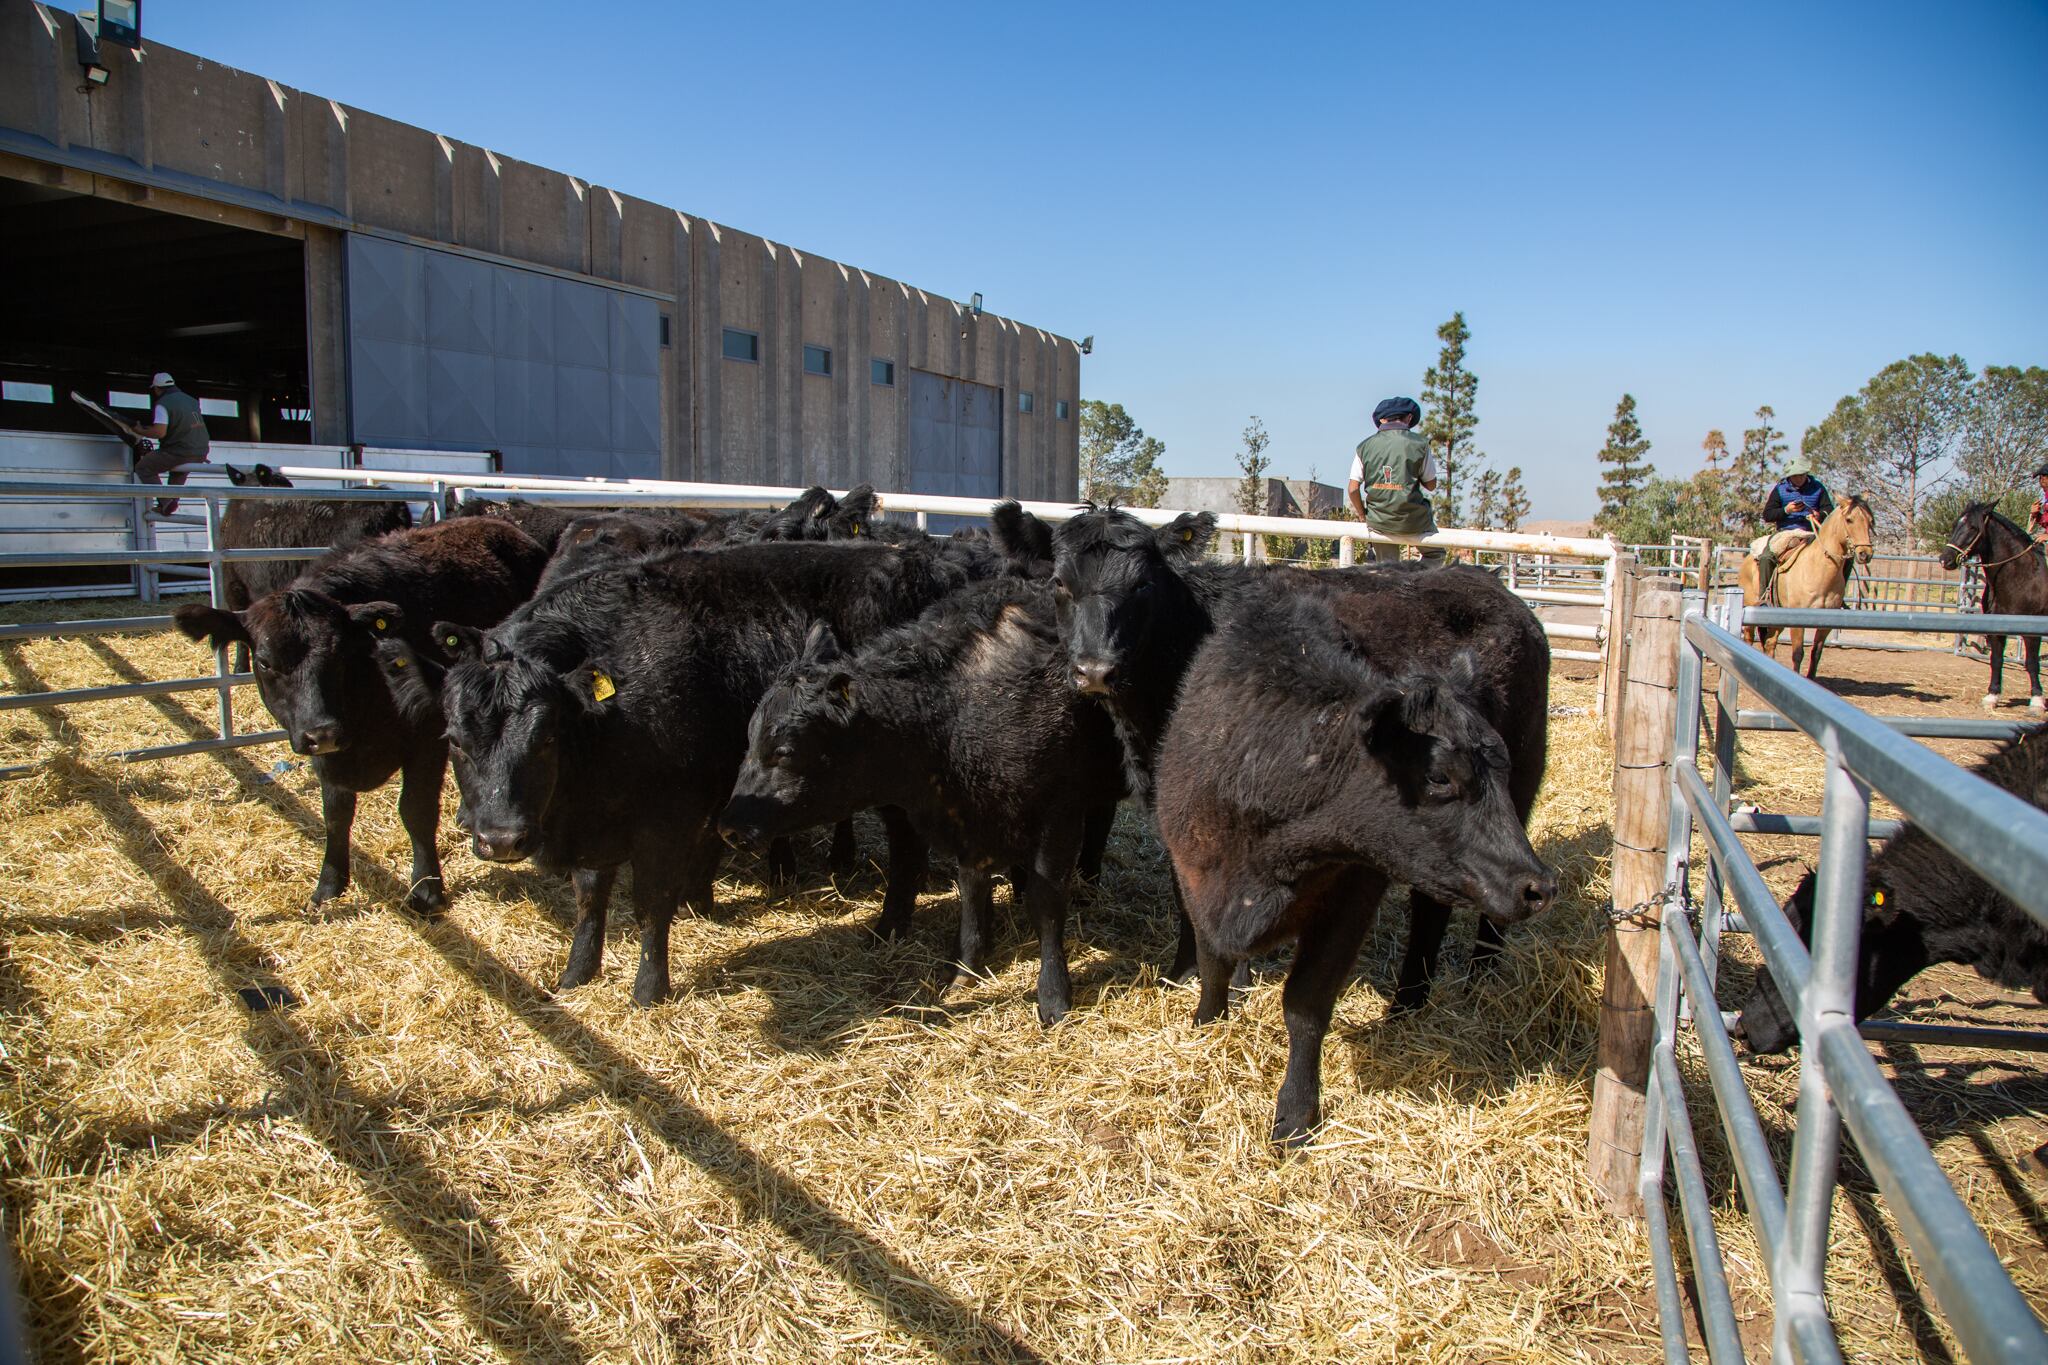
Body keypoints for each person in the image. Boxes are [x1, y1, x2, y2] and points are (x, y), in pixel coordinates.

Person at [1347, 396, 1444, 565]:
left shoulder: (1364, 446)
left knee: (1387, 569)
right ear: (1409, 418)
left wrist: (1363, 515)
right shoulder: (1420, 444)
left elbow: (1353, 489)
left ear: (1381, 420)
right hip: (1414, 520)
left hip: (1379, 522)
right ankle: (1415, 583)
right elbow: (1431, 485)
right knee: (1436, 554)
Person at [116, 372, 211, 515]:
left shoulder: (163, 404)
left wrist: (140, 430)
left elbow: (160, 432)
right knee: (178, 473)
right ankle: (169, 504)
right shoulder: (191, 400)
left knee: (144, 468)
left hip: (180, 451)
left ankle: (166, 502)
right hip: (201, 451)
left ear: (157, 388)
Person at [1749, 453, 1835, 605]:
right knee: (1766, 558)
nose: (1799, 478)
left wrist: (1818, 514)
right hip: (1786, 532)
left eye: (1801, 475)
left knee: (1841, 556)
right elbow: (1768, 515)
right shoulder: (1780, 489)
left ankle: (1837, 597)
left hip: (1813, 532)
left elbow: (1829, 510)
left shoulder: (1818, 488)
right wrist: (1786, 510)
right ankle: (1764, 598)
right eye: (1795, 476)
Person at [2028, 460, 2048, 547]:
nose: (2042, 479)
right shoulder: (2046, 497)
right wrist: (2036, 514)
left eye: (2044, 476)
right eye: (2040, 477)